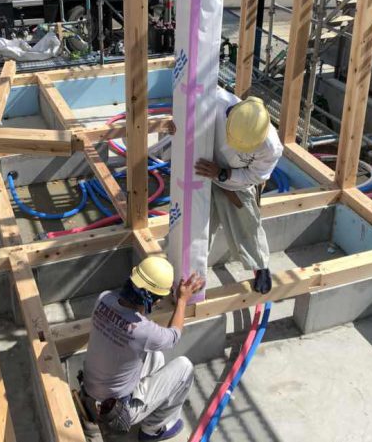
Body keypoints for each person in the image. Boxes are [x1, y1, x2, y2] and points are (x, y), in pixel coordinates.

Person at [172, 87, 283, 294]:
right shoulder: (216, 101)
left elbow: (254, 176)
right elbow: (187, 92)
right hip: (202, 170)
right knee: (197, 228)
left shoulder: (271, 147)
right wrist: (177, 125)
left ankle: (260, 266)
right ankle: (190, 273)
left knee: (247, 225)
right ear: (230, 116)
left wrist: (223, 174)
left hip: (236, 184)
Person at [80, 256, 205, 441]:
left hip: (90, 392)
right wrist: (182, 300)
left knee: (156, 355)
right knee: (184, 367)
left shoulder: (104, 298)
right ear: (154, 300)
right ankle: (153, 429)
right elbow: (173, 336)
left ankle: (147, 404)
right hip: (116, 411)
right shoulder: (143, 331)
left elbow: (128, 325)